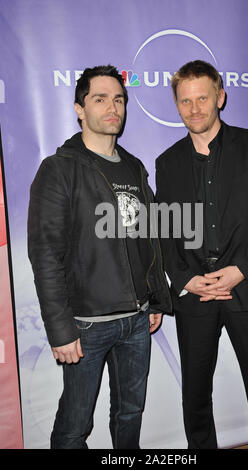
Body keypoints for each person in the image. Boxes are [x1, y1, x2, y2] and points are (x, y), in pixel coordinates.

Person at [28, 65, 171, 449]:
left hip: (137, 320)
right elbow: (45, 255)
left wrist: (154, 297)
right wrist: (60, 329)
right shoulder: (59, 169)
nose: (113, 108)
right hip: (86, 325)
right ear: (79, 108)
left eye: (119, 99)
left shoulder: (134, 167)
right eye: (100, 99)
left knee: (130, 414)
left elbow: (148, 239)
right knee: (74, 427)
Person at [155, 60, 248, 449]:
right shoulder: (168, 162)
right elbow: (165, 229)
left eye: (202, 98)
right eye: (185, 101)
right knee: (195, 399)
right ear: (176, 105)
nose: (194, 109)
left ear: (220, 98)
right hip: (195, 296)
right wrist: (184, 279)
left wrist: (241, 269)